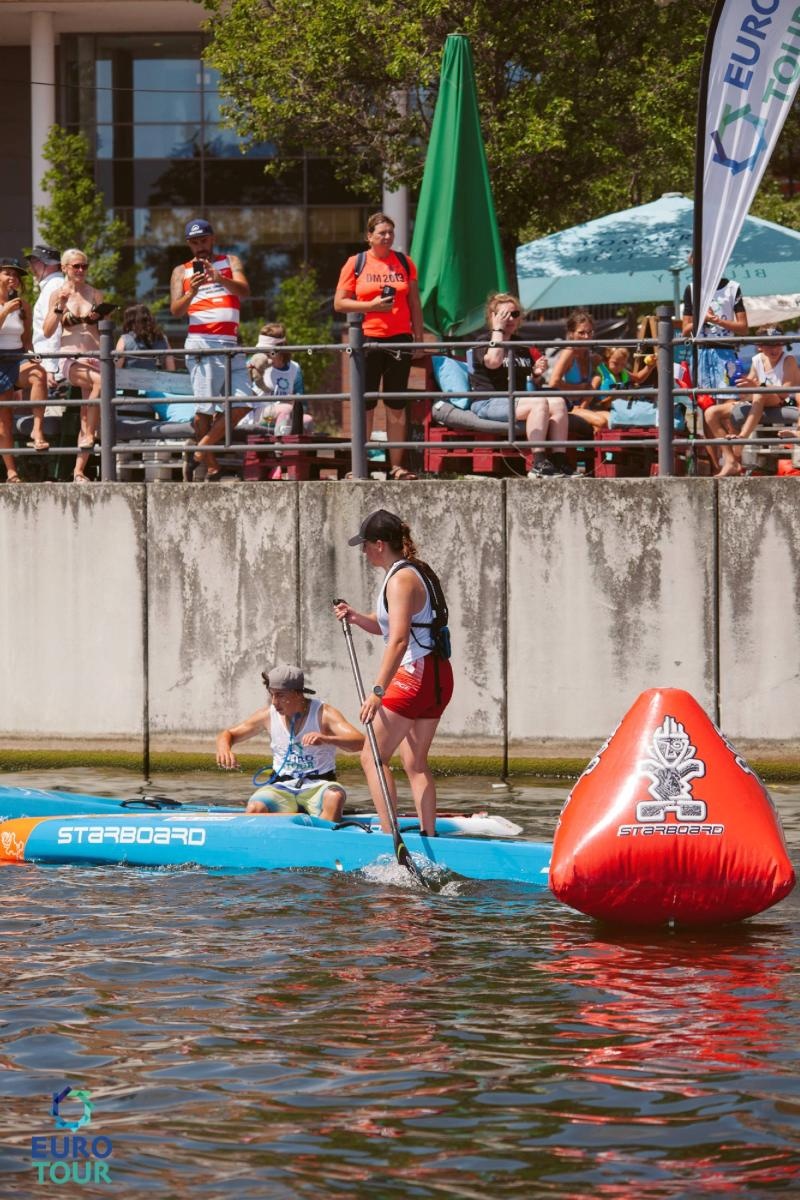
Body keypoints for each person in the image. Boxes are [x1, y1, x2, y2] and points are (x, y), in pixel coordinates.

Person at [334, 509, 453, 838]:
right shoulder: (416, 572)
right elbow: (390, 626)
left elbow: (399, 639)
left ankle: (391, 839)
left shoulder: (400, 580)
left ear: (380, 545)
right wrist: (357, 617)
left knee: (372, 757)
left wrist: (378, 690)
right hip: (437, 675)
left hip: (413, 674)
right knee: (415, 763)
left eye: (365, 545)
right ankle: (430, 836)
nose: (363, 552)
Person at [334, 212, 423, 480]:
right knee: (365, 404)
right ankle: (361, 466)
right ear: (369, 236)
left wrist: (417, 338)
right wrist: (370, 306)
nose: (387, 237)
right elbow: (339, 303)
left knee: (396, 404)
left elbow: (414, 304)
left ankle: (396, 466)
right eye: (381, 233)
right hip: (367, 340)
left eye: (390, 232)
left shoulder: (405, 263)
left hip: (399, 340)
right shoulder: (356, 262)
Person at [215, 664, 363, 820]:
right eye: (272, 695)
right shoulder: (267, 715)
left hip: (319, 785)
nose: (274, 702)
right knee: (254, 808)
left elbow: (361, 742)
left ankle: (322, 839)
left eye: (280, 695)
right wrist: (224, 748)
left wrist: (327, 739)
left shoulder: (324, 714)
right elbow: (228, 734)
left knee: (335, 797)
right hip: (282, 787)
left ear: (298, 694)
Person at [169, 218, 252, 480]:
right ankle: (212, 466)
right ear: (188, 245)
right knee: (205, 407)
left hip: (232, 343)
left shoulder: (230, 261)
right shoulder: (180, 271)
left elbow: (245, 291)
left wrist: (219, 278)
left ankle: (201, 450)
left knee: (245, 401)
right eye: (194, 243)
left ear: (212, 239)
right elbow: (176, 310)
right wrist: (191, 292)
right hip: (202, 343)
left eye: (203, 240)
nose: (200, 247)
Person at [469, 293, 569, 477]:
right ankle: (538, 464)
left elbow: (532, 379)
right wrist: (497, 331)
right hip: (489, 401)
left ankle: (559, 461)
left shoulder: (521, 344)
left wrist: (537, 373)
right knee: (539, 403)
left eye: (514, 314)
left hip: (517, 401)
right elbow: (493, 362)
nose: (510, 319)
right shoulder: (483, 341)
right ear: (493, 316)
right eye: (504, 315)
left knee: (558, 402)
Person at [42, 248, 106, 483]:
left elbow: (105, 332)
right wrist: (60, 305)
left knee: (87, 416)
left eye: (84, 266)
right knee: (101, 383)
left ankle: (79, 471)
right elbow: (48, 331)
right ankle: (89, 436)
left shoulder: (95, 294)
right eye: (76, 266)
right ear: (65, 268)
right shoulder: (58, 294)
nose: (81, 270)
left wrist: (96, 323)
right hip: (71, 358)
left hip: (94, 355)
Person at [706, 327, 800, 477]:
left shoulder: (789, 360)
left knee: (760, 392)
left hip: (785, 402)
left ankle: (741, 438)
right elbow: (748, 391)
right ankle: (731, 461)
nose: (775, 349)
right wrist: (743, 392)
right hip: (760, 401)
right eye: (770, 345)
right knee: (711, 413)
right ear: (760, 347)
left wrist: (756, 387)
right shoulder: (756, 360)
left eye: (778, 344)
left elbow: (784, 393)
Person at [0, 258, 49, 481]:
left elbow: (27, 339)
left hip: (17, 357)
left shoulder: (23, 306)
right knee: (4, 422)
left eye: (16, 275)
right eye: (7, 273)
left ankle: (37, 430)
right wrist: (3, 312)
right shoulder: (9, 306)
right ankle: (11, 471)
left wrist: (33, 355)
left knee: (40, 374)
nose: (13, 278)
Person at [243, 322, 310, 434]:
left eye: (268, 350)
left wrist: (293, 400)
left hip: (286, 414)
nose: (263, 353)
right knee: (285, 410)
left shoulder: (295, 368)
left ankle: (300, 451)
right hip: (259, 414)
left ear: (281, 348)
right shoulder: (254, 363)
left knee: (308, 420)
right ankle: (279, 448)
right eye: (261, 349)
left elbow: (301, 402)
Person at [24, 244, 64, 394]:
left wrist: (50, 368)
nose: (31, 266)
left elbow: (54, 329)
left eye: (34, 261)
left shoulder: (53, 286)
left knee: (53, 415)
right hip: (53, 365)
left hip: (53, 369)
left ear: (46, 264)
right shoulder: (54, 285)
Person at [115, 304, 176, 372]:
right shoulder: (163, 338)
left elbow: (117, 368)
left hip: (131, 380)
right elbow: (171, 369)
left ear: (131, 322)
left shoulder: (124, 340)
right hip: (157, 380)